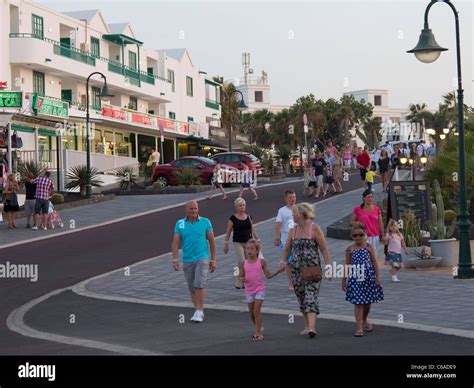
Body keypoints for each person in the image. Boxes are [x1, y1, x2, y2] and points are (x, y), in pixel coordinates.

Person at [279, 203, 331, 338]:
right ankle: (307, 326)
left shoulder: (315, 228)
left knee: (310, 296)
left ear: (302, 214)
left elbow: (324, 249)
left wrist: (329, 267)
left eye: (294, 213)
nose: (292, 216)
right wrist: (282, 262)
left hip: (312, 269)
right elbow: (286, 249)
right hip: (296, 269)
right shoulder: (293, 230)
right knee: (301, 296)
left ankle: (312, 328)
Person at [171, 201, 217, 323]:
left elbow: (212, 241)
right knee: (191, 286)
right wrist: (175, 259)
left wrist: (213, 259)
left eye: (195, 208)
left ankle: (200, 311)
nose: (193, 211)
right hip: (187, 259)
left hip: (202, 257)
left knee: (199, 283)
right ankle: (196, 309)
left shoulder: (205, 222)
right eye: (191, 209)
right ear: (186, 210)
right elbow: (175, 242)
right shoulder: (180, 223)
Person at [342, 225, 384, 337]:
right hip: (355, 278)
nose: (358, 237)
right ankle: (358, 327)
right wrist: (344, 280)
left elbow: (374, 262)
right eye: (355, 235)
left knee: (367, 303)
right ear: (352, 237)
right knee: (358, 303)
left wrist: (378, 276)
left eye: (361, 234)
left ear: (365, 235)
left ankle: (364, 319)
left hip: (369, 277)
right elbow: (347, 265)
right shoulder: (349, 249)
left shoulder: (369, 247)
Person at [240, 239, 283, 340]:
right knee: (251, 314)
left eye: (251, 249)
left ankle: (258, 333)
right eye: (247, 249)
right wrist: (241, 279)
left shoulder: (262, 262)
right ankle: (258, 326)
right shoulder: (243, 263)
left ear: (257, 250)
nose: (249, 251)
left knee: (256, 311)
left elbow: (268, 275)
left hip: (260, 289)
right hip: (249, 291)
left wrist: (278, 272)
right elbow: (241, 275)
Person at [224, 197, 261, 289]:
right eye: (240, 205)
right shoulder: (233, 218)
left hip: (248, 243)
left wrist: (258, 239)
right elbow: (228, 231)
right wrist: (226, 243)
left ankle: (245, 280)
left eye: (243, 205)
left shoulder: (248, 217)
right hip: (238, 242)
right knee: (241, 262)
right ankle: (238, 279)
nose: (242, 207)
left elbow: (252, 228)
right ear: (236, 207)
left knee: (247, 262)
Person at [351, 189, 384, 256]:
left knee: (374, 255)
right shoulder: (358, 209)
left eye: (371, 197)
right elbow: (352, 221)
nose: (370, 199)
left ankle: (374, 267)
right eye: (368, 197)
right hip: (363, 236)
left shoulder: (377, 208)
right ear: (364, 198)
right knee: (365, 255)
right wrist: (357, 223)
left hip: (375, 236)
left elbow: (380, 223)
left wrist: (383, 235)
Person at [275, 190, 297, 290]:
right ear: (286, 199)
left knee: (298, 261)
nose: (292, 199)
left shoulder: (299, 209)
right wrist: (277, 237)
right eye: (290, 197)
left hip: (298, 238)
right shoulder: (282, 211)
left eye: (294, 197)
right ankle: (290, 282)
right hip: (285, 239)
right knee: (288, 262)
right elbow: (278, 224)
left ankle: (298, 280)